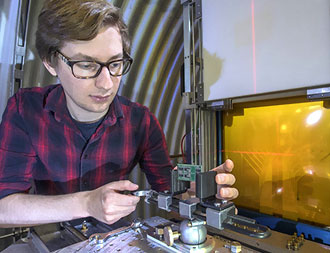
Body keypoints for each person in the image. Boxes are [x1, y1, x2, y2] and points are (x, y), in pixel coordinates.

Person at [0, 0, 238, 228]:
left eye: (115, 64)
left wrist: (197, 192)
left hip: (114, 237)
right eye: (86, 65)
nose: (106, 84)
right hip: (48, 238)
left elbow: (169, 191)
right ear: (50, 63)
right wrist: (87, 203)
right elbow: (4, 208)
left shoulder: (141, 122)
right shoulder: (25, 109)